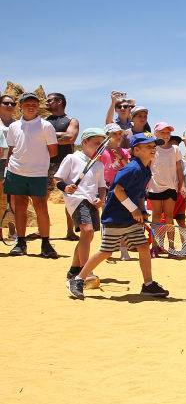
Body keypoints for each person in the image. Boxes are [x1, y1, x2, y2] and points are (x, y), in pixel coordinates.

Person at [67, 133, 171, 299]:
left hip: (130, 219)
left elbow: (138, 194)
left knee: (143, 247)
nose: (153, 149)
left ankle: (148, 284)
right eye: (148, 146)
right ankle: (78, 279)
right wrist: (134, 210)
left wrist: (141, 210)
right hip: (115, 218)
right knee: (106, 252)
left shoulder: (145, 169)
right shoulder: (132, 168)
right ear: (136, 150)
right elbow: (118, 190)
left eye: (154, 146)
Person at [4, 93, 58, 258]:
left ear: (38, 106)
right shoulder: (13, 126)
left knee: (41, 207)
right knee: (19, 207)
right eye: (27, 103)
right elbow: (11, 149)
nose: (31, 106)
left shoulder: (46, 126)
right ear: (20, 106)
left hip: (37, 173)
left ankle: (45, 244)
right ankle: (20, 243)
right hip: (16, 171)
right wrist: (8, 168)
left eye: (34, 103)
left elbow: (53, 151)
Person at [54, 127, 108, 287]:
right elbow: (57, 179)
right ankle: (86, 273)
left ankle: (74, 269)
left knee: (88, 236)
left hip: (92, 202)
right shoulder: (72, 158)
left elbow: (102, 187)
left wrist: (101, 199)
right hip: (76, 200)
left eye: (101, 144)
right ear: (84, 142)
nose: (99, 147)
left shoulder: (98, 165)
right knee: (87, 231)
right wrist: (65, 187)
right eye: (96, 143)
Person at [45, 92, 81, 240]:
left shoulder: (71, 120)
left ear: (59, 102)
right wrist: (60, 135)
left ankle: (70, 231)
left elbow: (70, 138)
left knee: (69, 196)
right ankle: (43, 231)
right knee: (41, 198)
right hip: (45, 163)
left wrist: (48, 137)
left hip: (65, 163)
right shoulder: (44, 121)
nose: (46, 103)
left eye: (50, 100)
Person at [146, 122, 184, 255]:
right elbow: (146, 166)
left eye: (168, 132)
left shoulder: (176, 149)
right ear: (156, 133)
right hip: (154, 187)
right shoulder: (152, 148)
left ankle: (171, 247)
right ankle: (156, 246)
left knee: (169, 217)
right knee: (156, 216)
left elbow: (179, 168)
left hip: (170, 187)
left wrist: (182, 185)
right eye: (162, 132)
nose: (166, 135)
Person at [0, 94, 14, 243]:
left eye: (12, 104)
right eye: (6, 103)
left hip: (14, 163)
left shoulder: (17, 124)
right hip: (0, 161)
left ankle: (12, 230)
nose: (9, 106)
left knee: (13, 198)